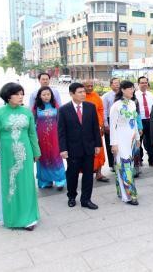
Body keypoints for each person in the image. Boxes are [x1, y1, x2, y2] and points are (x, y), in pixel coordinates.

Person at [0, 82, 41, 230]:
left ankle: (29, 218)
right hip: (7, 155)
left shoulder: (27, 112)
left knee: (27, 184)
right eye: (17, 94)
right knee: (10, 183)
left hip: (25, 152)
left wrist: (36, 151)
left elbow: (32, 133)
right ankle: (10, 217)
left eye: (22, 94)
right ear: (7, 96)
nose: (20, 96)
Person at [58, 82, 101, 210]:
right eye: (80, 92)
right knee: (72, 174)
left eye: (84, 92)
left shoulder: (90, 107)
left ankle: (86, 199)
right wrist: (63, 149)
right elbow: (61, 132)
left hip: (88, 147)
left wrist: (98, 144)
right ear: (72, 94)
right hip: (72, 149)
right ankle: (71, 196)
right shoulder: (64, 110)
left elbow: (95, 127)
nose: (83, 94)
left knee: (88, 174)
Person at [110, 80, 142, 205]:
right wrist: (114, 144)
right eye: (129, 88)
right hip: (120, 140)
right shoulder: (116, 106)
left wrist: (138, 138)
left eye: (133, 89)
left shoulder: (133, 104)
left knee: (129, 166)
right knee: (124, 166)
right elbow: (113, 127)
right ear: (122, 90)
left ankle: (121, 191)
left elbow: (134, 123)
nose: (132, 91)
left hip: (131, 140)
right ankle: (130, 196)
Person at [32, 86, 66, 190]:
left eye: (48, 94)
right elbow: (33, 123)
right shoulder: (36, 107)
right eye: (44, 95)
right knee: (43, 157)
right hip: (41, 138)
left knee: (56, 157)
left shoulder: (56, 106)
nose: (46, 97)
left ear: (51, 95)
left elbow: (60, 122)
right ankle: (46, 181)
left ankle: (60, 181)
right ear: (39, 96)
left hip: (55, 137)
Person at [83, 79, 109, 182]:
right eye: (87, 86)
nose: (90, 88)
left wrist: (102, 124)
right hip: (85, 129)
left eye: (91, 86)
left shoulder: (96, 96)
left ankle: (99, 173)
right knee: (87, 151)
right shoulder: (81, 96)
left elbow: (101, 109)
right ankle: (87, 173)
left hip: (97, 127)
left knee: (100, 150)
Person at [135, 76, 153, 167]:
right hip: (139, 121)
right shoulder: (134, 95)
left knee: (151, 141)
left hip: (150, 120)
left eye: (145, 83)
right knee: (138, 141)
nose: (144, 84)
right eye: (142, 83)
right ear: (138, 84)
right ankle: (139, 160)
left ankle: (152, 160)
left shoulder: (151, 95)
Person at [103, 77, 120, 171]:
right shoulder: (106, 96)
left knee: (119, 141)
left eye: (118, 83)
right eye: (115, 83)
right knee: (110, 143)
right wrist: (105, 124)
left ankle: (119, 161)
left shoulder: (122, 95)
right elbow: (104, 111)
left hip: (119, 119)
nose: (117, 85)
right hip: (109, 120)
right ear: (110, 85)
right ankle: (112, 164)